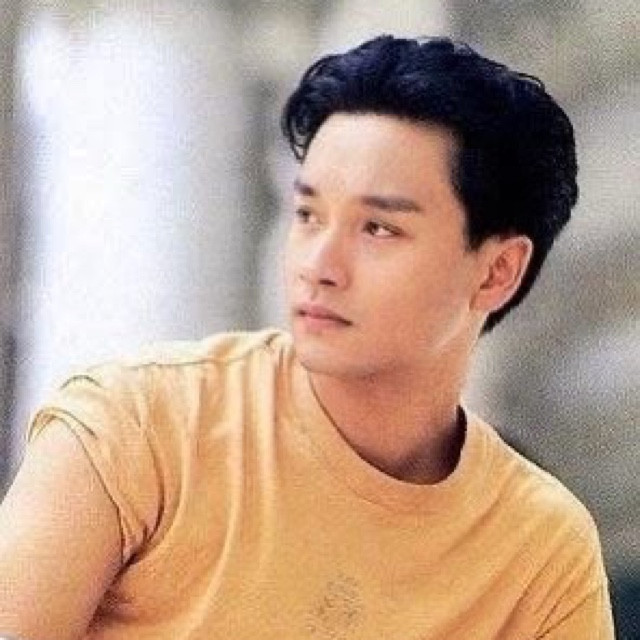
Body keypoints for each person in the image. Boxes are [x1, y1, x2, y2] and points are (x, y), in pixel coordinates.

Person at [0, 35, 614, 639]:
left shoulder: (541, 553)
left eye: (378, 228)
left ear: (497, 271)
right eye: (308, 215)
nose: (318, 264)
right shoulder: (135, 427)